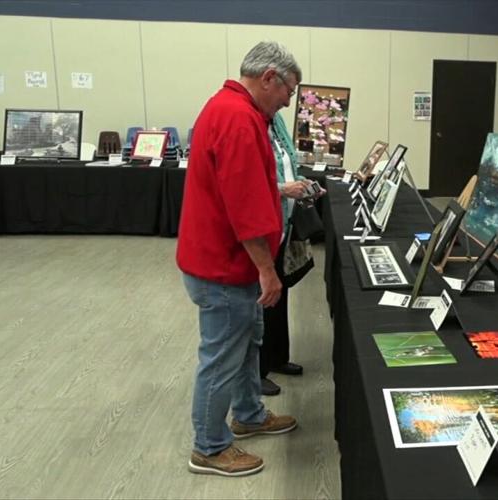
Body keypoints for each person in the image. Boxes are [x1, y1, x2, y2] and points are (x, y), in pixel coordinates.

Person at [176, 41, 302, 478]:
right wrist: (267, 269)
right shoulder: (238, 118)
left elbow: (248, 186)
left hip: (222, 262)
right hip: (225, 267)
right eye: (288, 90)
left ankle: (248, 415)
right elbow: (244, 208)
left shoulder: (231, 108)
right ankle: (208, 448)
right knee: (223, 355)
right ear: (268, 77)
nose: (289, 100)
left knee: (247, 343)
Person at [258, 111, 325, 396]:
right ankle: (256, 371)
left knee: (279, 294)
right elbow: (250, 186)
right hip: (264, 228)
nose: (289, 98)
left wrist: (304, 185)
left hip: (284, 222)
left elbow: (289, 166)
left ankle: (276, 358)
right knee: (261, 301)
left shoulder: (278, 120)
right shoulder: (250, 124)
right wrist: (284, 189)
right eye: (287, 89)